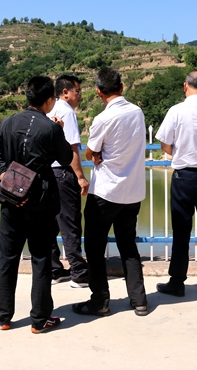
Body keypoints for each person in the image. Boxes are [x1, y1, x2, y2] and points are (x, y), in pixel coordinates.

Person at [0, 75, 73, 334]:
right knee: (41, 258)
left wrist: (12, 182)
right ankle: (40, 319)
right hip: (41, 202)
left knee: (7, 257)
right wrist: (59, 130)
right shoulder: (50, 128)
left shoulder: (7, 123)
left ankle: (2, 316)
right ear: (48, 100)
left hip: (11, 202)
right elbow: (66, 158)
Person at [73, 68, 148, 318]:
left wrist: (97, 155)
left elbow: (89, 152)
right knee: (128, 246)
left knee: (95, 249)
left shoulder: (102, 119)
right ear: (122, 87)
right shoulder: (137, 112)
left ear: (98, 92)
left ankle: (100, 302)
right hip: (132, 192)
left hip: (105, 193)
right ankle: (139, 300)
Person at [155, 69, 197, 296]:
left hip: (185, 177)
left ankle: (177, 282)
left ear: (185, 86)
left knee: (181, 232)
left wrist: (180, 151)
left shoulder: (176, 111)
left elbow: (165, 144)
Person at [47, 74, 90, 288]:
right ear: (65, 92)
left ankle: (54, 270)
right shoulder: (66, 111)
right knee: (70, 221)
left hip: (48, 173)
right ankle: (78, 272)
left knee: (50, 223)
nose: (80, 95)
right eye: (77, 91)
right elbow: (73, 148)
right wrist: (80, 177)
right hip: (64, 173)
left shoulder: (49, 109)